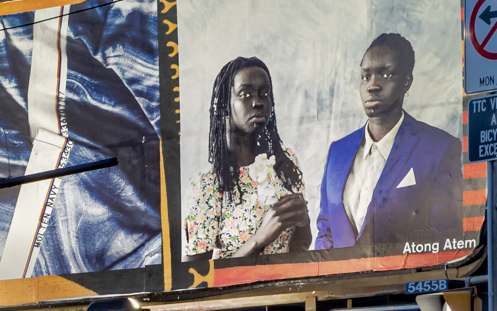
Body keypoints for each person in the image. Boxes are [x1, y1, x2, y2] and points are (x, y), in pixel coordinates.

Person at [315, 32, 465, 254]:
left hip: (406, 285)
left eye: (385, 75)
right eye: (365, 77)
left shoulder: (439, 148)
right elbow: (326, 233)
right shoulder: (337, 152)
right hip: (343, 287)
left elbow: (445, 235)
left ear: (407, 82)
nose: (372, 86)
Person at [183, 58, 312, 260]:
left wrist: (303, 221)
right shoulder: (206, 186)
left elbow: (301, 243)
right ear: (225, 105)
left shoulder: (285, 162)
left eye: (264, 94)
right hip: (238, 292)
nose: (258, 102)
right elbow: (198, 279)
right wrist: (258, 240)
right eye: (245, 94)